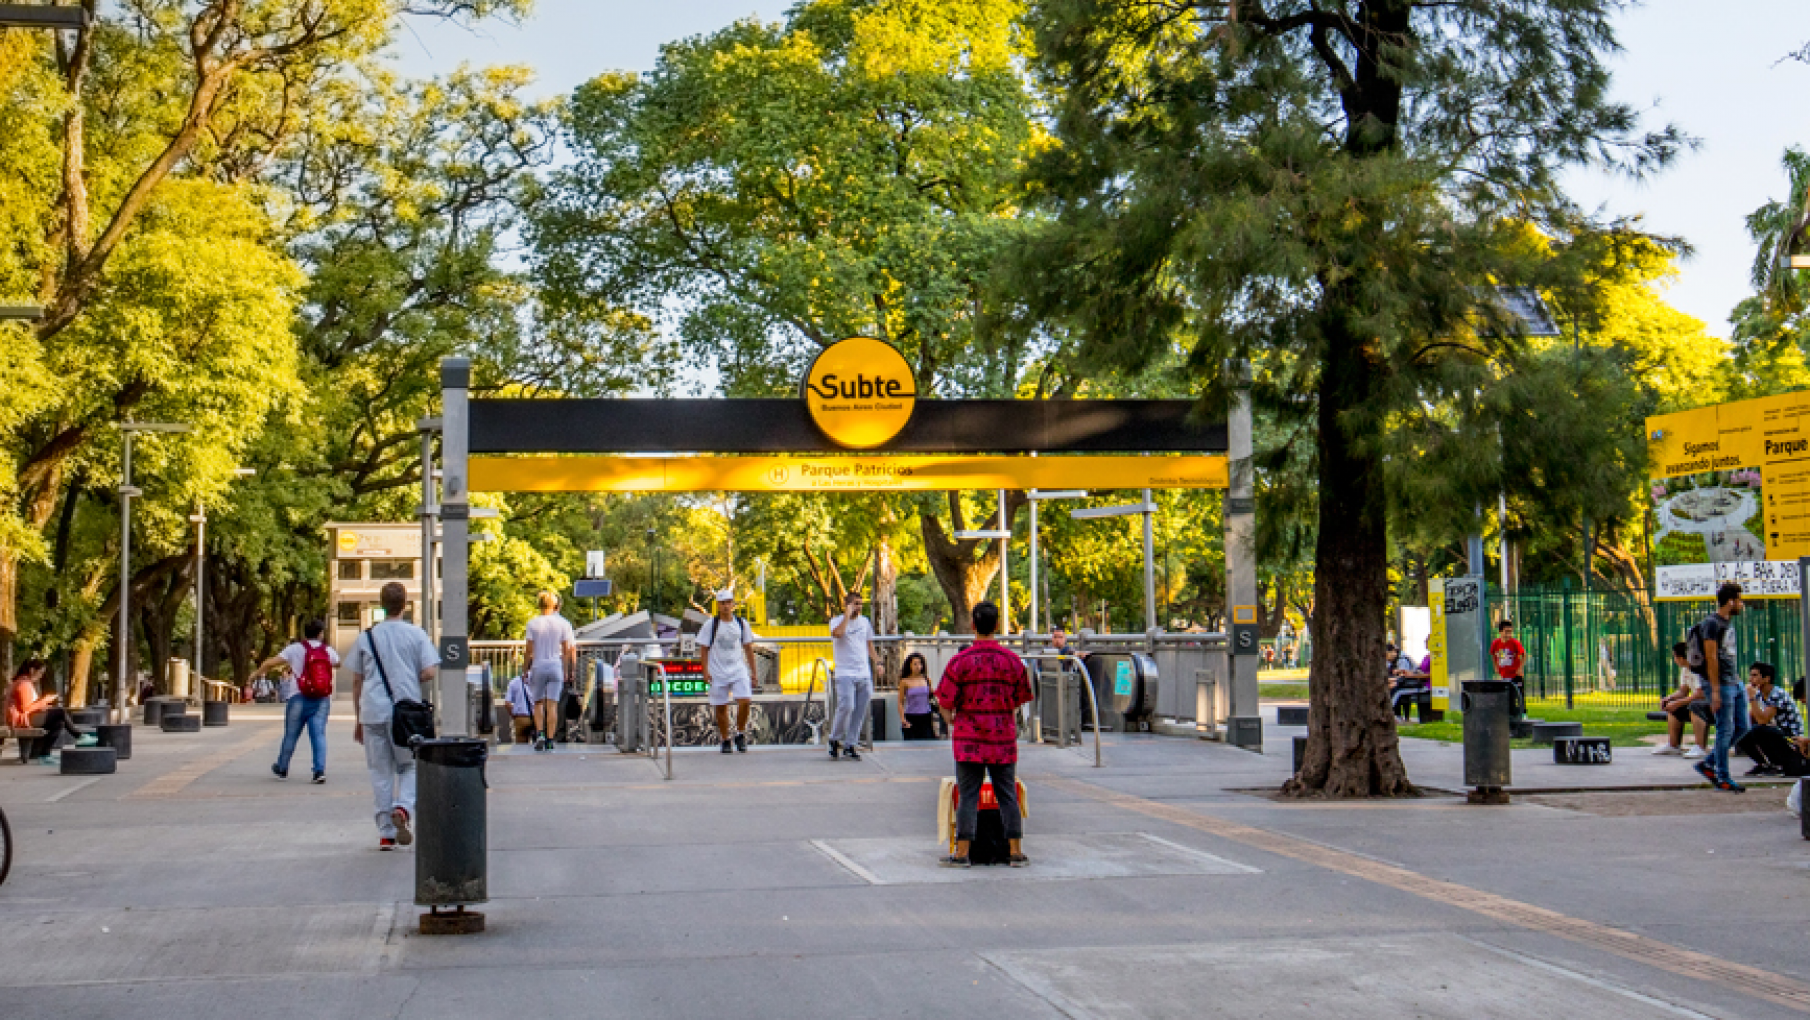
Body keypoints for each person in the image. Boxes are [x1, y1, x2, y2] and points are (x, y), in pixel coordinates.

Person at [935, 601, 1034, 868]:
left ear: (973, 625)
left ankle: (962, 853)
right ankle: (1016, 852)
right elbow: (1020, 698)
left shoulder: (960, 662)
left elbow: (944, 701)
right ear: (997, 625)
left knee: (968, 795)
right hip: (1002, 738)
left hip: (969, 739)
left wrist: (952, 720)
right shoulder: (1012, 661)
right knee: (1007, 795)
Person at [349, 582, 439, 850]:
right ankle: (403, 807)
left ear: (381, 604)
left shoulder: (366, 637)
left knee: (380, 771)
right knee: (409, 765)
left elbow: (356, 680)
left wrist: (358, 718)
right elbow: (430, 672)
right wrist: (411, 677)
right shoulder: (416, 634)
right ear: (405, 605)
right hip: (406, 713)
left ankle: (386, 832)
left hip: (373, 711)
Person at [249, 619, 338, 783]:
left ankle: (282, 768)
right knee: (318, 735)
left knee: (290, 734)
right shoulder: (328, 651)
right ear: (320, 634)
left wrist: (255, 674)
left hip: (298, 697)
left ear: (305, 633)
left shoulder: (295, 649)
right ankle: (319, 771)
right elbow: (337, 663)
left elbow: (270, 662)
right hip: (321, 699)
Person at [1692, 582, 1749, 792]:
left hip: (1734, 680)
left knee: (1743, 726)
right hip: (1721, 684)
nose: (1742, 605)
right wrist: (1715, 690)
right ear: (1731, 601)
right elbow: (1711, 657)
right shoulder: (1712, 624)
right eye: (1740, 600)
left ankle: (1708, 763)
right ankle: (1723, 777)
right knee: (1725, 730)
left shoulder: (1728, 623)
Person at [700, 588, 758, 754]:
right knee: (721, 707)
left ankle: (740, 733)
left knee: (745, 700)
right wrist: (705, 671)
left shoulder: (741, 624)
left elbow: (748, 648)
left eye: (728, 603)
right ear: (718, 605)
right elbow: (703, 649)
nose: (726, 606)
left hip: (738, 668)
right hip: (718, 670)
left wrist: (753, 672)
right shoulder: (711, 624)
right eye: (722, 603)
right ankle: (725, 738)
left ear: (733, 604)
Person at [7, 659, 91, 763]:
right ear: (32, 670)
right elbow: (26, 708)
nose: (41, 676)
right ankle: (79, 736)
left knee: (58, 723)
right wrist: (44, 701)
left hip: (25, 718)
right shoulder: (23, 684)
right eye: (41, 672)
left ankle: (44, 754)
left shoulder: (24, 682)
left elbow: (29, 706)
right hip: (23, 720)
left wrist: (44, 705)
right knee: (60, 712)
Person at [522, 591, 576, 751]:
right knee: (552, 705)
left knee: (538, 703)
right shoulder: (563, 624)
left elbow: (529, 651)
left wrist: (525, 669)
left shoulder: (532, 624)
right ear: (555, 605)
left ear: (539, 605)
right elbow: (567, 650)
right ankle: (551, 739)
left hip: (538, 666)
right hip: (555, 666)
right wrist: (565, 670)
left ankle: (540, 734)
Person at [827, 591, 877, 761]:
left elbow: (869, 644)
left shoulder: (865, 622)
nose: (858, 607)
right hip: (844, 672)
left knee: (860, 709)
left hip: (863, 672)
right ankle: (835, 738)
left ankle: (851, 743)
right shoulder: (836, 621)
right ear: (847, 605)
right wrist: (847, 617)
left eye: (860, 604)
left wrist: (878, 662)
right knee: (847, 705)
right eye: (855, 603)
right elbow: (838, 634)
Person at [1737, 661, 1802, 777]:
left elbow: (1763, 721)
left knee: (1759, 730)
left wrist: (1751, 698)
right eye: (1750, 675)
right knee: (1740, 730)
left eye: (1754, 675)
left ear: (1766, 679)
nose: (1750, 679)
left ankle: (1778, 765)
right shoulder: (1760, 695)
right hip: (1777, 734)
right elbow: (1751, 718)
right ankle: (1763, 764)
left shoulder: (1777, 694)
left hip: (1792, 740)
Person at [1652, 642, 1710, 759]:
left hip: (1712, 705)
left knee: (1695, 706)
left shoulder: (1698, 669)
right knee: (1673, 706)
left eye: (1674, 657)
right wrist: (1670, 699)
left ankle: (1700, 747)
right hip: (1700, 702)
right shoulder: (1685, 669)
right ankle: (1673, 746)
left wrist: (1678, 702)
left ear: (1681, 658)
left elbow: (1701, 694)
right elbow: (1683, 691)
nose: (1674, 660)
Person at [898, 653, 937, 740]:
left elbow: (932, 696)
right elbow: (900, 702)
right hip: (911, 716)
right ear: (910, 665)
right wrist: (903, 719)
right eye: (915, 664)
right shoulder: (904, 681)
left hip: (926, 716)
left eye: (920, 663)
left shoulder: (927, 680)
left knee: (928, 741)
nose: (918, 666)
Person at [1489, 620, 1527, 710]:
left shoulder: (1514, 643)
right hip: (1504, 674)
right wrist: (1496, 667)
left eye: (1510, 632)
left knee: (1519, 695)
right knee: (1508, 697)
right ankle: (1510, 713)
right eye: (1506, 632)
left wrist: (1520, 668)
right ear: (1500, 632)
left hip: (1515, 675)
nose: (1508, 635)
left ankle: (1523, 712)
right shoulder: (1496, 643)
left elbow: (1524, 654)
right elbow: (1493, 655)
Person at [504, 671, 536, 745]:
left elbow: (507, 704)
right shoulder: (540, 681)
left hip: (521, 717)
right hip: (537, 718)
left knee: (521, 747)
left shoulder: (514, 682)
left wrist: (514, 716)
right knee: (539, 746)